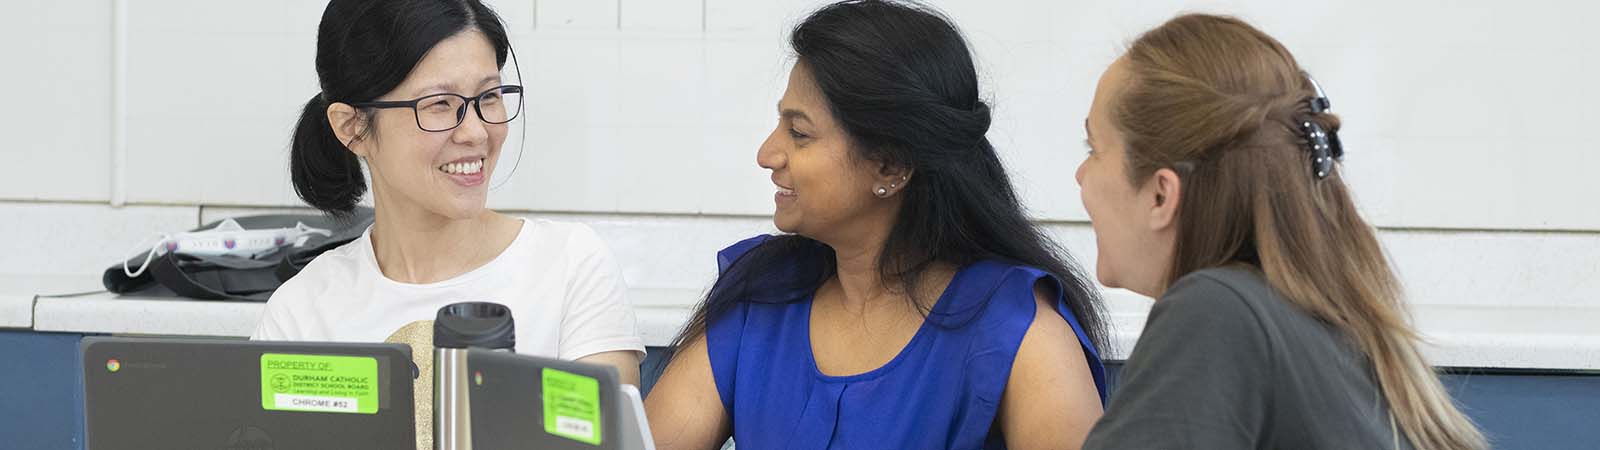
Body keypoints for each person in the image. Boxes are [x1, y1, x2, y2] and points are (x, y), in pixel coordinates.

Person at [645, 2, 1110, 449]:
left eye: (800, 133)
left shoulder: (1021, 332)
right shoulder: (759, 292)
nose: (767, 155)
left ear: (890, 166)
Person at [1075, 13, 1486, 450]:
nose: (1081, 175)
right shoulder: (1324, 329)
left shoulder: (1216, 312)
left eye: (1094, 149)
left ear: (1161, 195)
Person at [252, 0, 643, 385]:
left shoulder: (571, 269)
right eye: (440, 104)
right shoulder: (302, 313)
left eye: (488, 97)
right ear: (352, 127)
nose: (475, 132)